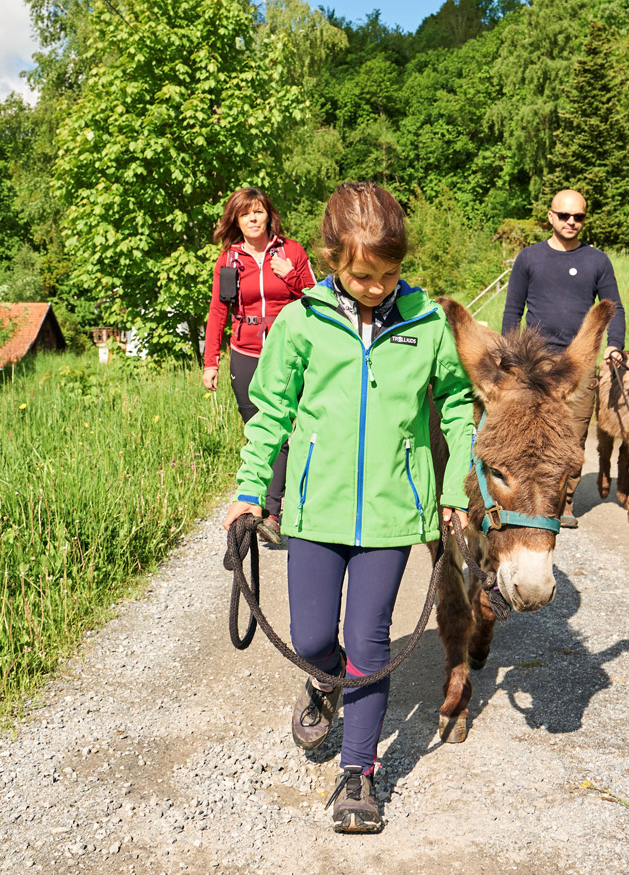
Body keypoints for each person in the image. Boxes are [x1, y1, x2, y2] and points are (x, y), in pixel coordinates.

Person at [220, 182, 475, 833]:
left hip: (392, 516)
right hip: (314, 511)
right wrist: (252, 491)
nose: (376, 286)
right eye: (363, 275)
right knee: (312, 640)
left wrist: (453, 492)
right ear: (333, 258)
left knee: (367, 642)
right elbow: (270, 412)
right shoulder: (302, 323)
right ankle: (321, 681)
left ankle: (358, 774)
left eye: (388, 274)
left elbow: (454, 402)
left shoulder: (426, 321)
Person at [501, 188, 626, 528]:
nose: (572, 222)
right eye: (565, 216)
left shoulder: (597, 261)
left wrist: (614, 344)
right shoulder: (529, 258)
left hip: (579, 364)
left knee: (573, 433)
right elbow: (514, 309)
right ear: (551, 217)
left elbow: (614, 307)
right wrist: (510, 357)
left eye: (579, 217)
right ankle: (533, 495)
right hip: (535, 361)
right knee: (533, 432)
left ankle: (564, 501)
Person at [203, 187, 316, 544]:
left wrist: (291, 276)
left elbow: (319, 297)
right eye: (244, 214)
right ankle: (261, 502)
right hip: (246, 350)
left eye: (258, 212)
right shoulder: (229, 260)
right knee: (257, 428)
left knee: (283, 430)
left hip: (289, 351)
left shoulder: (292, 251)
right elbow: (218, 312)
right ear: (236, 221)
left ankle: (271, 511)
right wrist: (211, 362)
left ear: (269, 215)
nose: (252, 219)